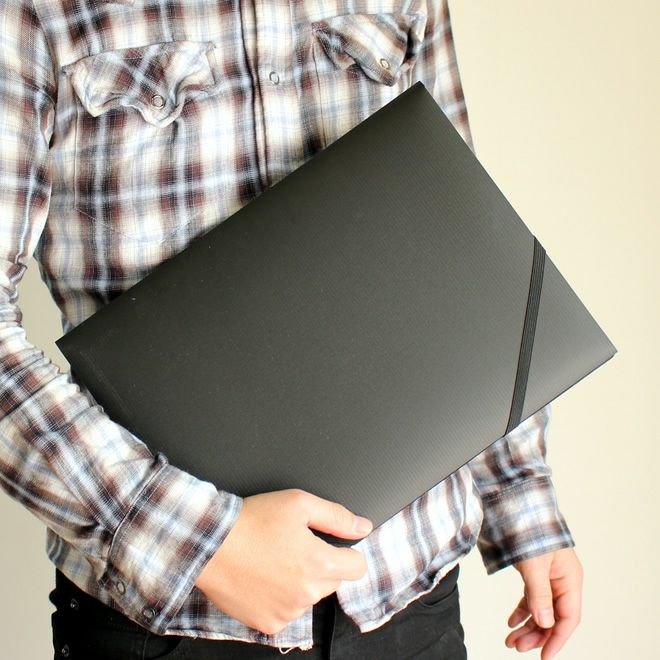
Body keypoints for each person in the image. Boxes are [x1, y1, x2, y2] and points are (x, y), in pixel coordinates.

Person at [0, 0, 583, 658]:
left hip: (408, 596)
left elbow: (460, 229)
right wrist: (196, 541)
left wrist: (522, 499)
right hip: (169, 616)